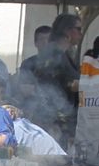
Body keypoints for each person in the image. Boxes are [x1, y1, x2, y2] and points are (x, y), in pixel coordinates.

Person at [26, 12, 83, 144]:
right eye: (78, 29)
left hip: (59, 120)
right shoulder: (54, 53)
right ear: (67, 31)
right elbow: (69, 84)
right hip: (54, 121)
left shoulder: (63, 54)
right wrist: (93, 85)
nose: (80, 34)